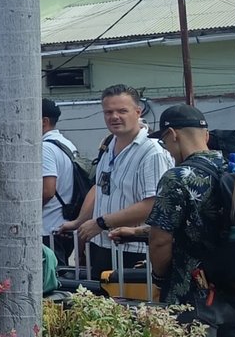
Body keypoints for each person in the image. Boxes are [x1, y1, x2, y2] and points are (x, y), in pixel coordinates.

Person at [110, 105, 235, 337]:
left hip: (193, 289)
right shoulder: (232, 169)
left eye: (166, 141)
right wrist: (136, 231)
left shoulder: (179, 177)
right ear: (206, 134)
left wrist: (160, 277)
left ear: (172, 134)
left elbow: (161, 239)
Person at [61, 84, 173, 278]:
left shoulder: (152, 151)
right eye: (108, 112)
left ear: (138, 112)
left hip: (134, 250)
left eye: (122, 111)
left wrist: (101, 223)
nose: (114, 117)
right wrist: (80, 221)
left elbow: (153, 204)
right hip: (101, 245)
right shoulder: (109, 144)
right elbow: (100, 187)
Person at [41, 99, 78, 263]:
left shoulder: (45, 148)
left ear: (44, 121)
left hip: (47, 228)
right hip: (63, 224)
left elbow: (48, 190)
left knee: (49, 275)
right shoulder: (67, 144)